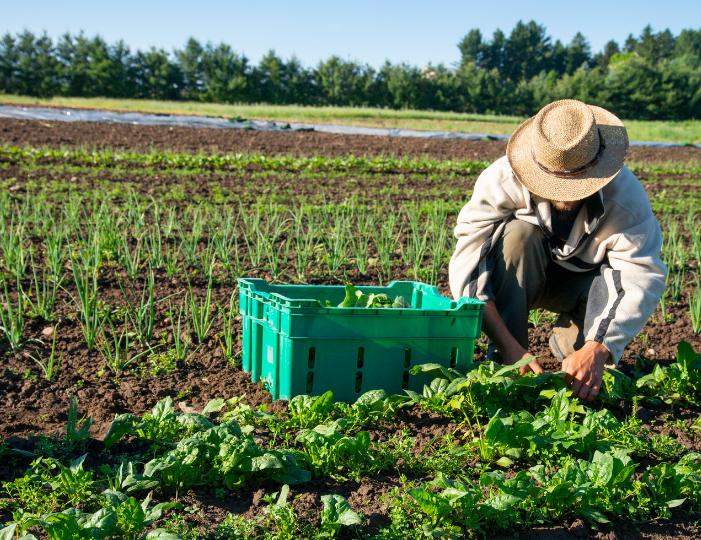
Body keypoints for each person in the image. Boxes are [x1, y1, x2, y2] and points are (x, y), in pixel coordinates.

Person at [449, 99, 666, 401]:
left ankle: (571, 340)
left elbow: (640, 274)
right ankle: (506, 358)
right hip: (524, 273)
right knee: (517, 236)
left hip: (583, 285)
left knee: (582, 371)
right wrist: (512, 349)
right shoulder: (501, 179)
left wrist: (598, 348)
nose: (563, 195)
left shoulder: (625, 199)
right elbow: (470, 267)